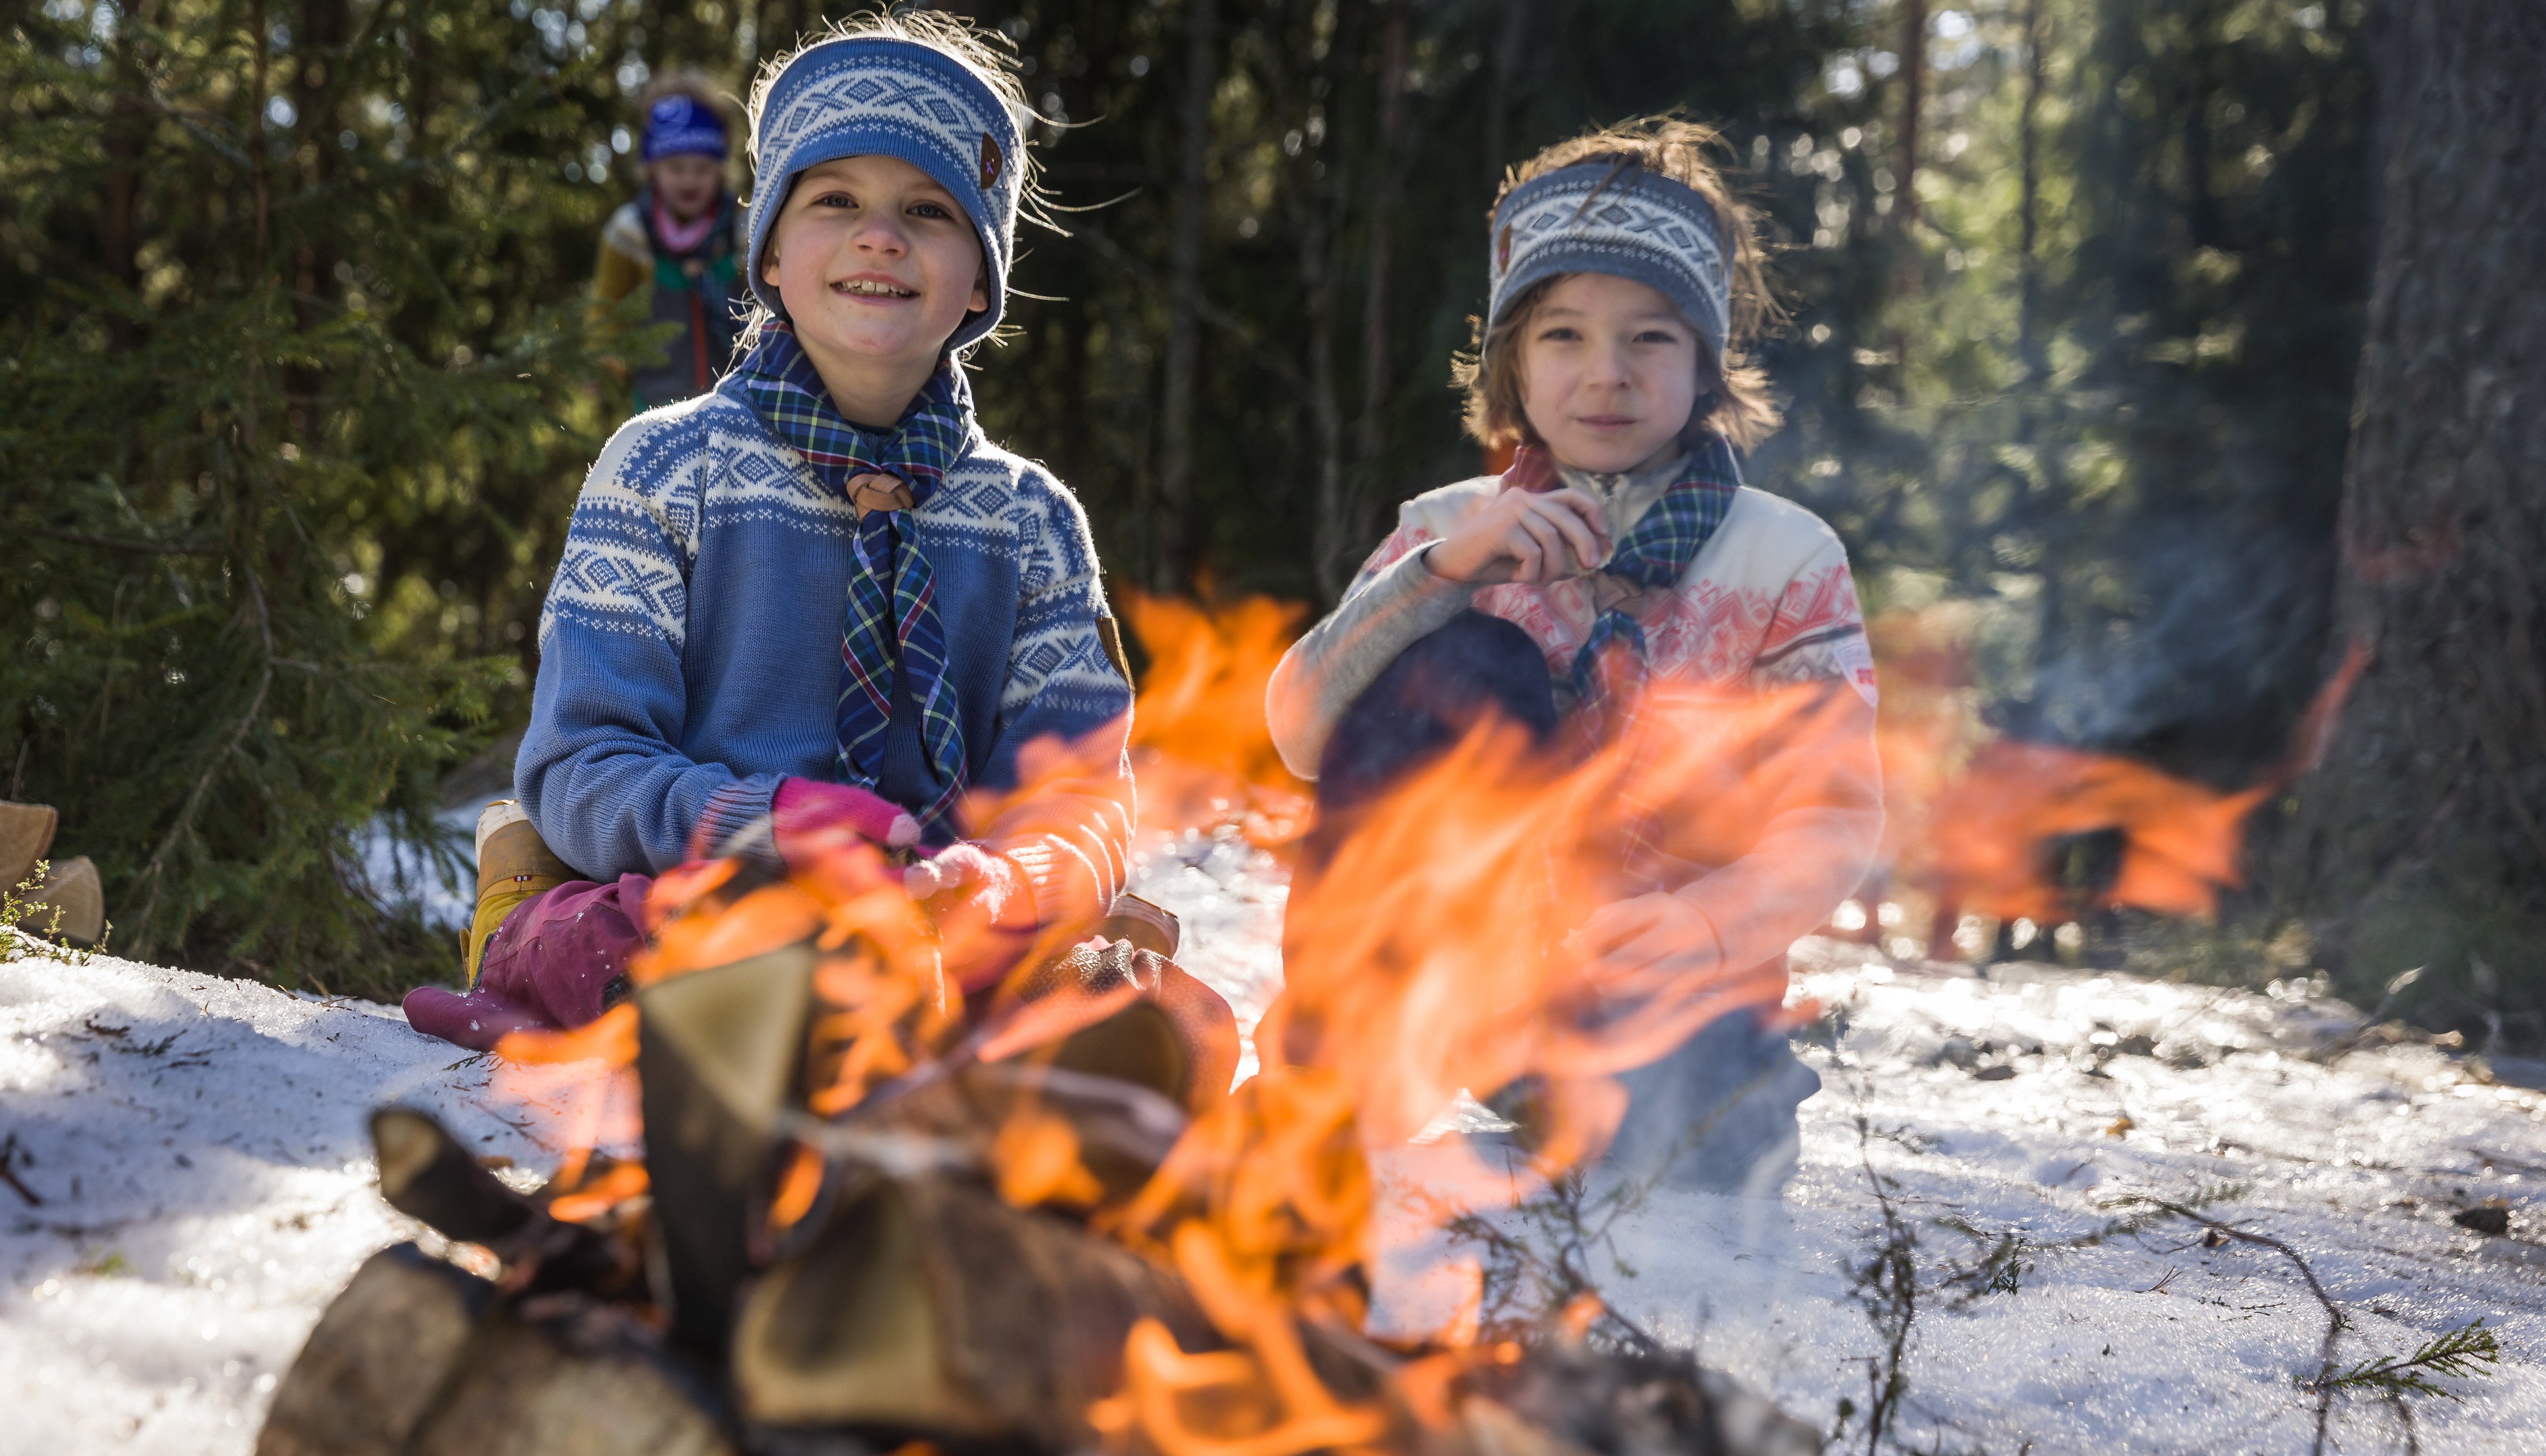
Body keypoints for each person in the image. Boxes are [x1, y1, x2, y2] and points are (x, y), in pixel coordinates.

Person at [405, 15, 1158, 1054]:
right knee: (655, 944)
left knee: (1143, 999)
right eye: (834, 199)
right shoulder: (662, 472)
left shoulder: (1033, 524)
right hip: (704, 896)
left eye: (929, 209)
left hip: (952, 930)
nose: (879, 236)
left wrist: (1006, 878)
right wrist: (766, 824)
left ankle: (969, 1035)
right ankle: (755, 1005)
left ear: (982, 279)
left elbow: (1081, 799)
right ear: (767, 249)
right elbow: (583, 767)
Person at [1263, 118, 1884, 1196]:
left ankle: (1617, 1099)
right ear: (1511, 357)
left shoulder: (1785, 557)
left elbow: (1832, 816)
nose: (1607, 374)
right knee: (1473, 654)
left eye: (1650, 337)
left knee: (1711, 1149)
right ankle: (1349, 1048)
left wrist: (1708, 923)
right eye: (1562, 335)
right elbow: (1300, 732)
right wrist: (1436, 579)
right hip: (1457, 979)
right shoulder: (1448, 528)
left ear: (1705, 361)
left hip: (1662, 989)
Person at [594, 75, 750, 412]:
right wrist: (603, 361)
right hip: (655, 406)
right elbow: (606, 306)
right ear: (653, 168)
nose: (689, 180)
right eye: (676, 168)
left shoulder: (743, 232)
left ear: (721, 170)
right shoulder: (629, 234)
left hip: (740, 403)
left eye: (703, 169)